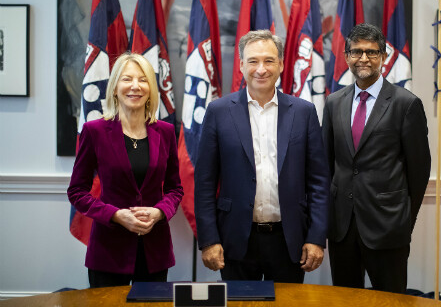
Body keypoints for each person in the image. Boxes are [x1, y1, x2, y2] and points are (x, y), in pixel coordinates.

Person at [195, 29, 329, 283]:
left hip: (289, 239)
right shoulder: (218, 112)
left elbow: (319, 182)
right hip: (236, 239)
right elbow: (204, 184)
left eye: (269, 60)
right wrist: (209, 240)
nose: (261, 69)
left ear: (280, 64)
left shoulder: (304, 112)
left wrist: (315, 237)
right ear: (241, 65)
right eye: (253, 61)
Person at [322, 23, 431, 294]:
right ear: (346, 56)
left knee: (391, 299)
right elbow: (326, 164)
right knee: (345, 299)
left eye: (372, 52)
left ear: (383, 57)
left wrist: (403, 220)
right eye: (356, 52)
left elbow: (419, 171)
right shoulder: (334, 102)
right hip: (342, 228)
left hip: (387, 227)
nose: (363, 59)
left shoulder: (406, 104)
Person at [68, 52, 183, 288]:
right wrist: (115, 215)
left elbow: (175, 189)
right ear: (114, 87)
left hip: (154, 252)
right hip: (108, 251)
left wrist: (159, 212)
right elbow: (77, 191)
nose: (135, 86)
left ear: (151, 88)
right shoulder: (94, 131)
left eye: (142, 80)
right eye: (127, 79)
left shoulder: (166, 132)